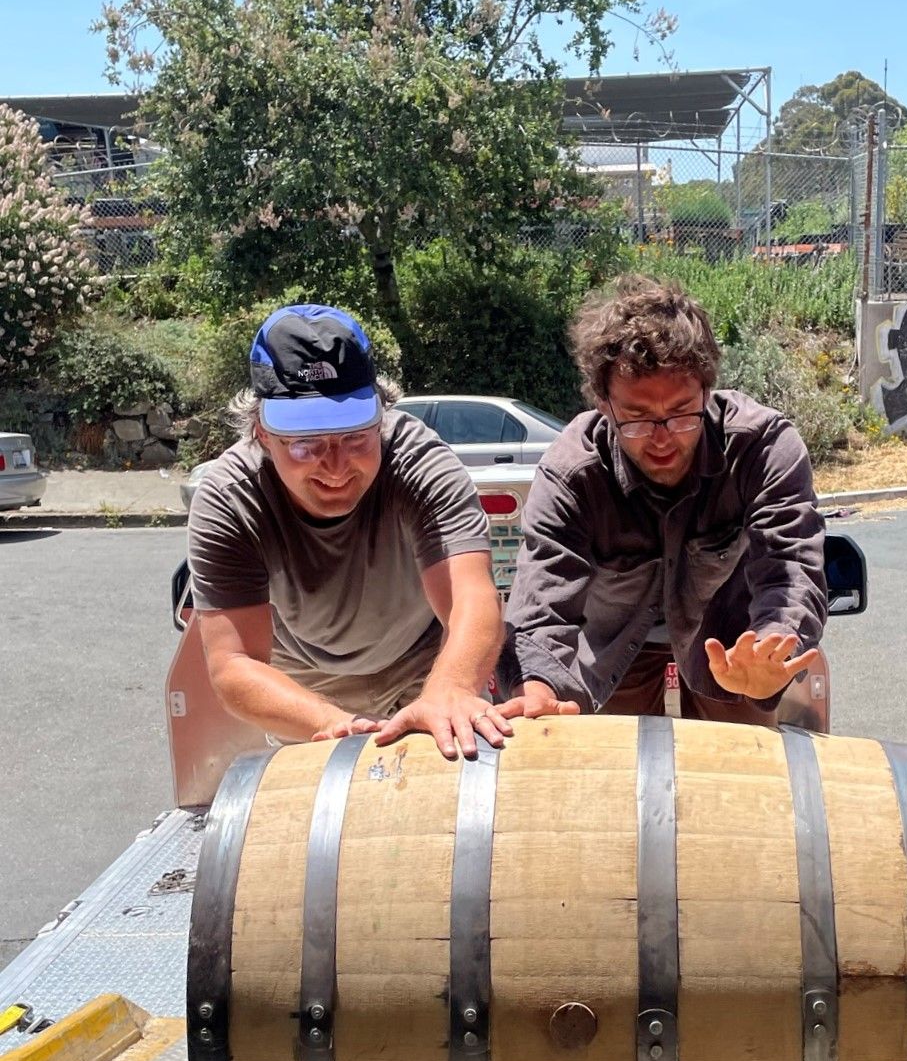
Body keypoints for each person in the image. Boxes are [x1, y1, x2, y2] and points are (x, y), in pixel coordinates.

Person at [187, 303, 511, 759]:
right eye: (306, 444)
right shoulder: (231, 498)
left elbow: (473, 601)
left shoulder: (419, 462)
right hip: (305, 678)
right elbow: (234, 665)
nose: (335, 467)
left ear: (381, 417)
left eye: (356, 437)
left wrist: (452, 688)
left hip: (424, 660)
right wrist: (334, 725)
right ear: (262, 432)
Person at [501, 275, 827, 724]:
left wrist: (774, 645)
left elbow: (790, 569)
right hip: (613, 652)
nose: (661, 440)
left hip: (731, 650)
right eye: (636, 417)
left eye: (680, 414)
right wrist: (536, 687)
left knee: (737, 780)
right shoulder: (571, 472)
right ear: (602, 403)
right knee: (616, 783)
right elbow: (541, 600)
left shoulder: (763, 447)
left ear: (707, 393)